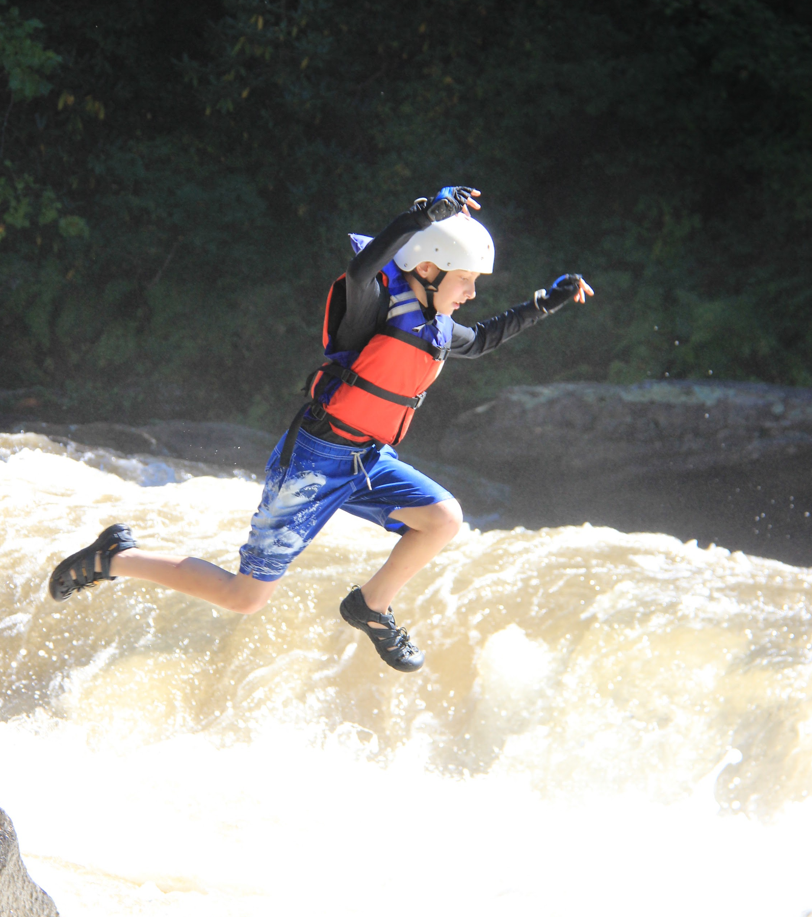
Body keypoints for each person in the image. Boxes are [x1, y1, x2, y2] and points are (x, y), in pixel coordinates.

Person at [49, 186, 593, 673]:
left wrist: (546, 302)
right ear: (427, 269)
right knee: (245, 597)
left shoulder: (438, 327)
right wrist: (420, 216)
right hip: (313, 461)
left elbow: (485, 338)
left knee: (443, 518)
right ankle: (111, 557)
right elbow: (360, 272)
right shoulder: (374, 307)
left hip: (367, 460)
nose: (472, 293)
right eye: (467, 280)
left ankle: (370, 606)